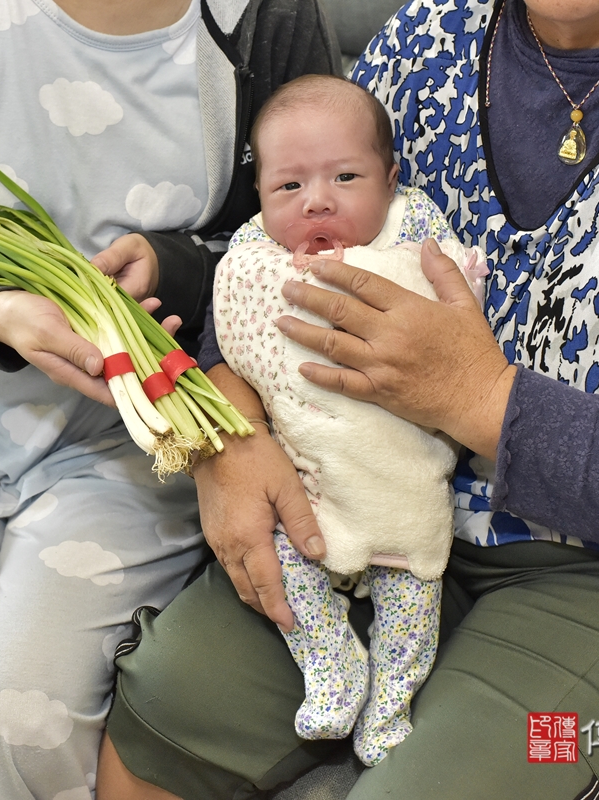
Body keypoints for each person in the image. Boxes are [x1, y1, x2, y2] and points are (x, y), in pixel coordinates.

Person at [95, 0, 599, 797]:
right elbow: (276, 253)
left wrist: (477, 397)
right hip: (373, 501)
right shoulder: (429, 35)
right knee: (162, 707)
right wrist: (228, 430)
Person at [0, 1, 338, 798]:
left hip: (133, 442)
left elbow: (307, 233)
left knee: (21, 710)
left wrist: (175, 264)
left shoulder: (264, 16)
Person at [211, 74, 487, 766]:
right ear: (259, 196)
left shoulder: (414, 225)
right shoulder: (256, 249)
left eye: (344, 176)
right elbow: (237, 310)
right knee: (283, 560)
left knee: (411, 591)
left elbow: (453, 294)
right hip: (306, 471)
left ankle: (390, 704)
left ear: (390, 178)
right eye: (288, 188)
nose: (317, 201)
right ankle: (332, 663)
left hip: (400, 468)